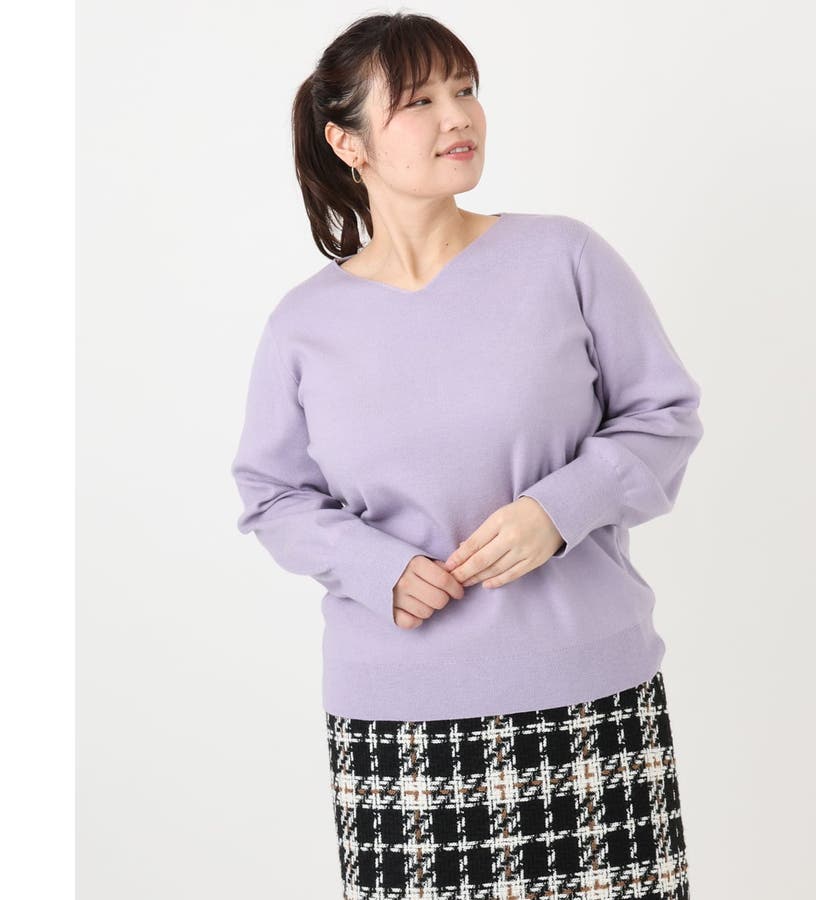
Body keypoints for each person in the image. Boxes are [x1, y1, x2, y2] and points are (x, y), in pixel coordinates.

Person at [230, 11, 702, 899]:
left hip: (588, 697)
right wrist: (374, 567)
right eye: (418, 101)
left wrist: (557, 510)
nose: (458, 116)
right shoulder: (303, 324)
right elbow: (271, 492)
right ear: (348, 142)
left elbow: (663, 414)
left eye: (466, 89)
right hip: (399, 726)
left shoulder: (563, 256)